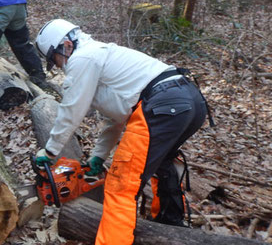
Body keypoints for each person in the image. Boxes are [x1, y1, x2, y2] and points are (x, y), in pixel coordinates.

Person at [33, 19, 210, 245]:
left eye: (54, 60)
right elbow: (115, 118)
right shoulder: (101, 58)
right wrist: (99, 155)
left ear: (66, 46)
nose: (57, 66)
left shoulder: (83, 58)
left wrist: (49, 151)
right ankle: (170, 222)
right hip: (190, 99)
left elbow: (71, 111)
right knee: (162, 163)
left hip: (162, 103)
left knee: (122, 184)